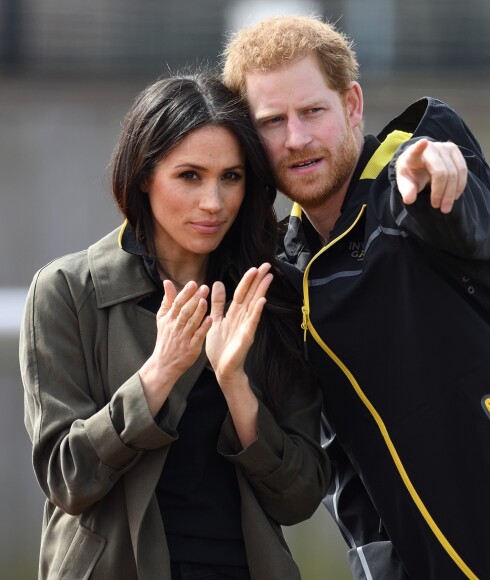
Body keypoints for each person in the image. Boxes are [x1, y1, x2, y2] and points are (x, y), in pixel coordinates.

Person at [221, 14, 490, 580]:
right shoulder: (289, 278)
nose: (297, 138)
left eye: (313, 110)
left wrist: (437, 175)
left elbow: (471, 223)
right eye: (273, 121)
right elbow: (344, 460)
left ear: (352, 104)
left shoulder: (411, 178)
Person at [19, 69, 331, 580]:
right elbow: (67, 478)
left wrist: (236, 386)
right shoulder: (67, 292)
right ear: (145, 176)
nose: (214, 202)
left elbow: (299, 498)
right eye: (190, 176)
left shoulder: (270, 298)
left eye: (230, 177)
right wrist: (158, 375)